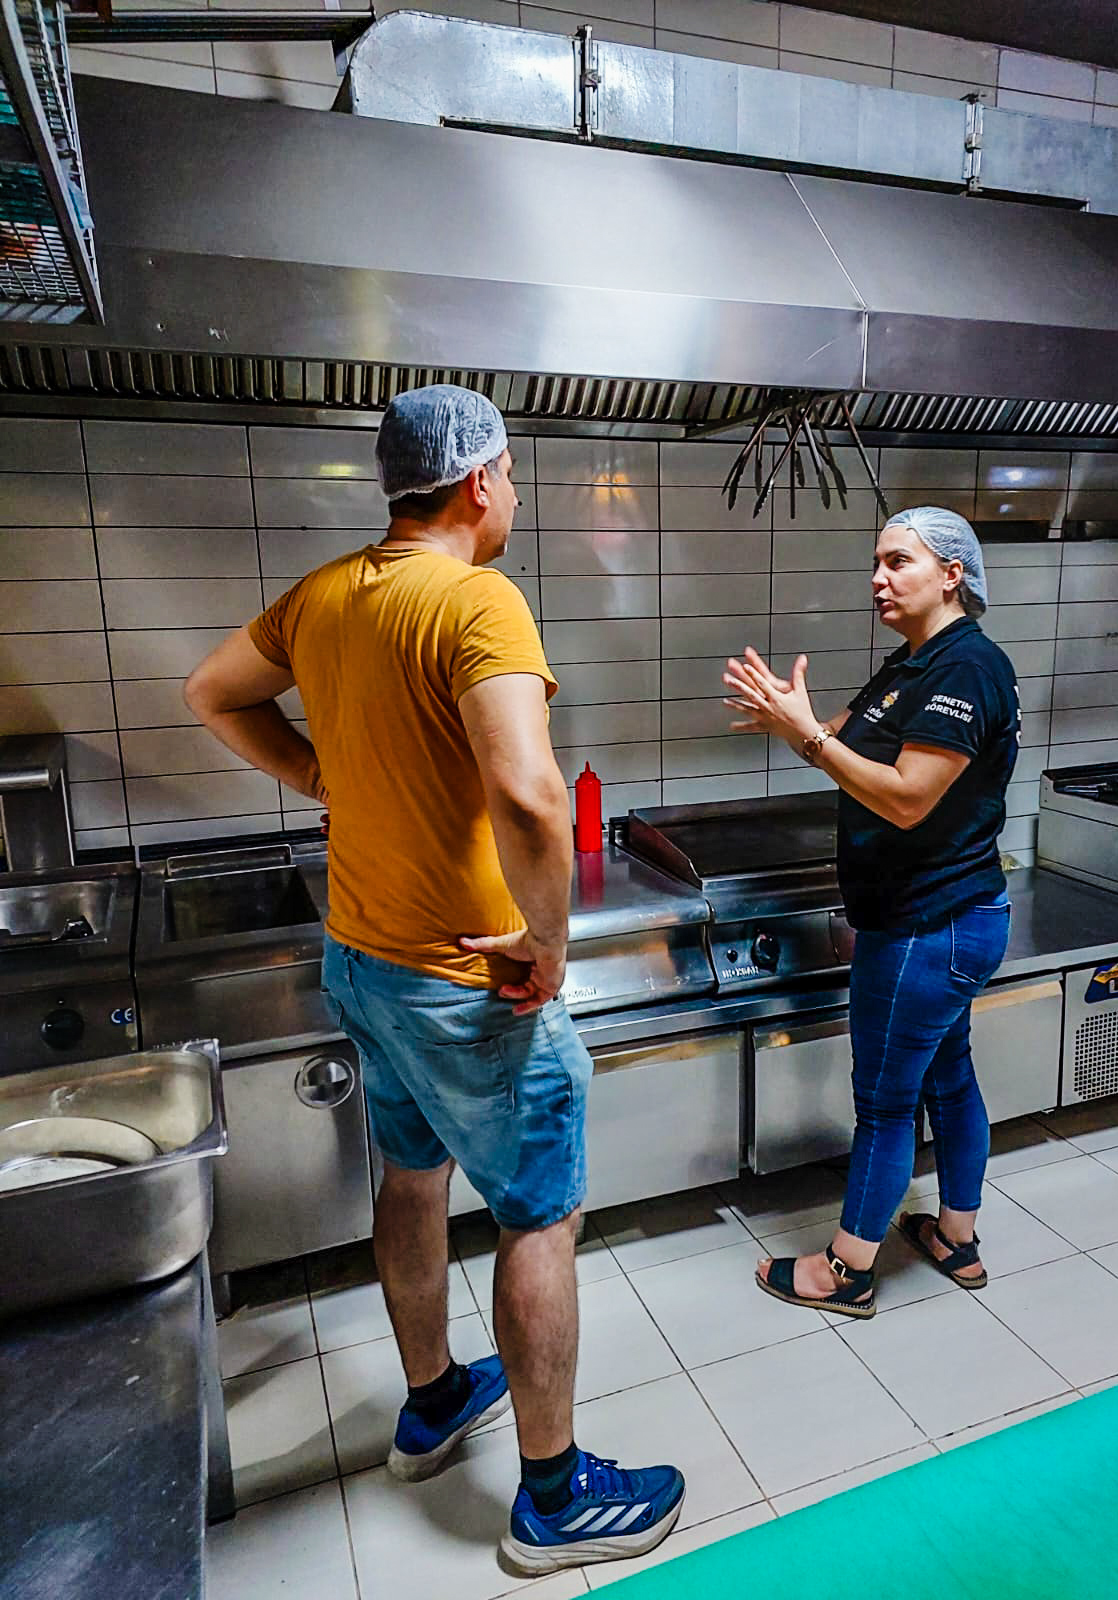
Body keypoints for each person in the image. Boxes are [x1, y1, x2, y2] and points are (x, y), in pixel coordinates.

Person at [184, 385, 683, 1575]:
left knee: (411, 1179)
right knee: (538, 1212)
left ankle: (434, 1397)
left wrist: (321, 776)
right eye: (513, 476)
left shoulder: (325, 595)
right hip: (467, 983)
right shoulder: (475, 599)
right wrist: (548, 946)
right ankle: (553, 1499)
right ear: (477, 481)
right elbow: (530, 796)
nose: (516, 497)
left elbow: (212, 692)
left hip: (362, 960)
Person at [724, 506, 1019, 1317]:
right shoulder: (912, 664)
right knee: (949, 1077)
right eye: (876, 563)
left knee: (887, 1103)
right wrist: (794, 721)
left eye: (898, 562)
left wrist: (812, 739)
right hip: (940, 920)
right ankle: (956, 1238)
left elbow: (908, 799)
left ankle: (846, 1270)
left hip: (930, 925)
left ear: (952, 574)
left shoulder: (966, 668)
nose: (878, 579)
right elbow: (839, 744)